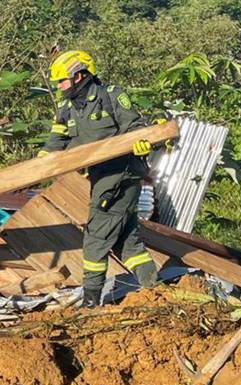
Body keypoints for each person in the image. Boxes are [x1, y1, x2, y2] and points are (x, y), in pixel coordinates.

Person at [42, 50, 159, 308]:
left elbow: (136, 127)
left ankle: (91, 302)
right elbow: (56, 141)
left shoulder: (112, 96)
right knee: (126, 241)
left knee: (95, 237)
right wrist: (40, 164)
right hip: (99, 177)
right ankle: (155, 290)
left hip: (122, 175)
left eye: (62, 81)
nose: (60, 88)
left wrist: (141, 142)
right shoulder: (66, 108)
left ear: (79, 75)